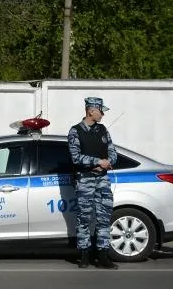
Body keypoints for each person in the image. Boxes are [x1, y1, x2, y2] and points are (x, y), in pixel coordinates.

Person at [68, 97, 118, 269]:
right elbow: (75, 157)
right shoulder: (75, 131)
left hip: (102, 179)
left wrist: (107, 161)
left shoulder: (103, 130)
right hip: (85, 179)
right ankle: (84, 255)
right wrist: (97, 162)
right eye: (100, 111)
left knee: (104, 217)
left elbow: (113, 152)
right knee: (84, 218)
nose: (103, 114)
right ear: (91, 111)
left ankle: (103, 255)